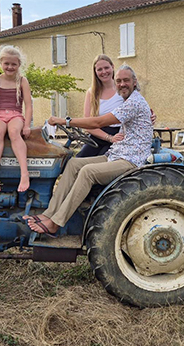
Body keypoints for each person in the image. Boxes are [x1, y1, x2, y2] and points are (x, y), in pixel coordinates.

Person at [26, 65, 152, 235]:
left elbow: (97, 123)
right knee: (73, 164)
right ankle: (48, 213)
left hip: (130, 160)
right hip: (117, 154)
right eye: (119, 81)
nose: (122, 84)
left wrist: (65, 121)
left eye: (126, 80)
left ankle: (56, 222)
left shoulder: (134, 102)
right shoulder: (128, 101)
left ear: (134, 82)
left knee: (88, 172)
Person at [76, 55, 157, 157]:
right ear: (95, 72)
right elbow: (88, 123)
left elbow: (138, 107)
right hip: (99, 134)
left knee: (103, 160)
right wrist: (108, 137)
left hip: (119, 135)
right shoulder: (91, 92)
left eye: (106, 68)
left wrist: (151, 116)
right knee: (78, 159)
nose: (104, 72)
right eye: (99, 69)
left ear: (112, 67)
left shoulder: (122, 89)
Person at [0, 45, 33, 193]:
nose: (10, 67)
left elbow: (29, 105)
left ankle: (24, 173)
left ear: (19, 64)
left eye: (14, 64)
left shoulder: (23, 81)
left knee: (14, 132)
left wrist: (26, 125)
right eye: (7, 63)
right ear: (1, 63)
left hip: (15, 114)